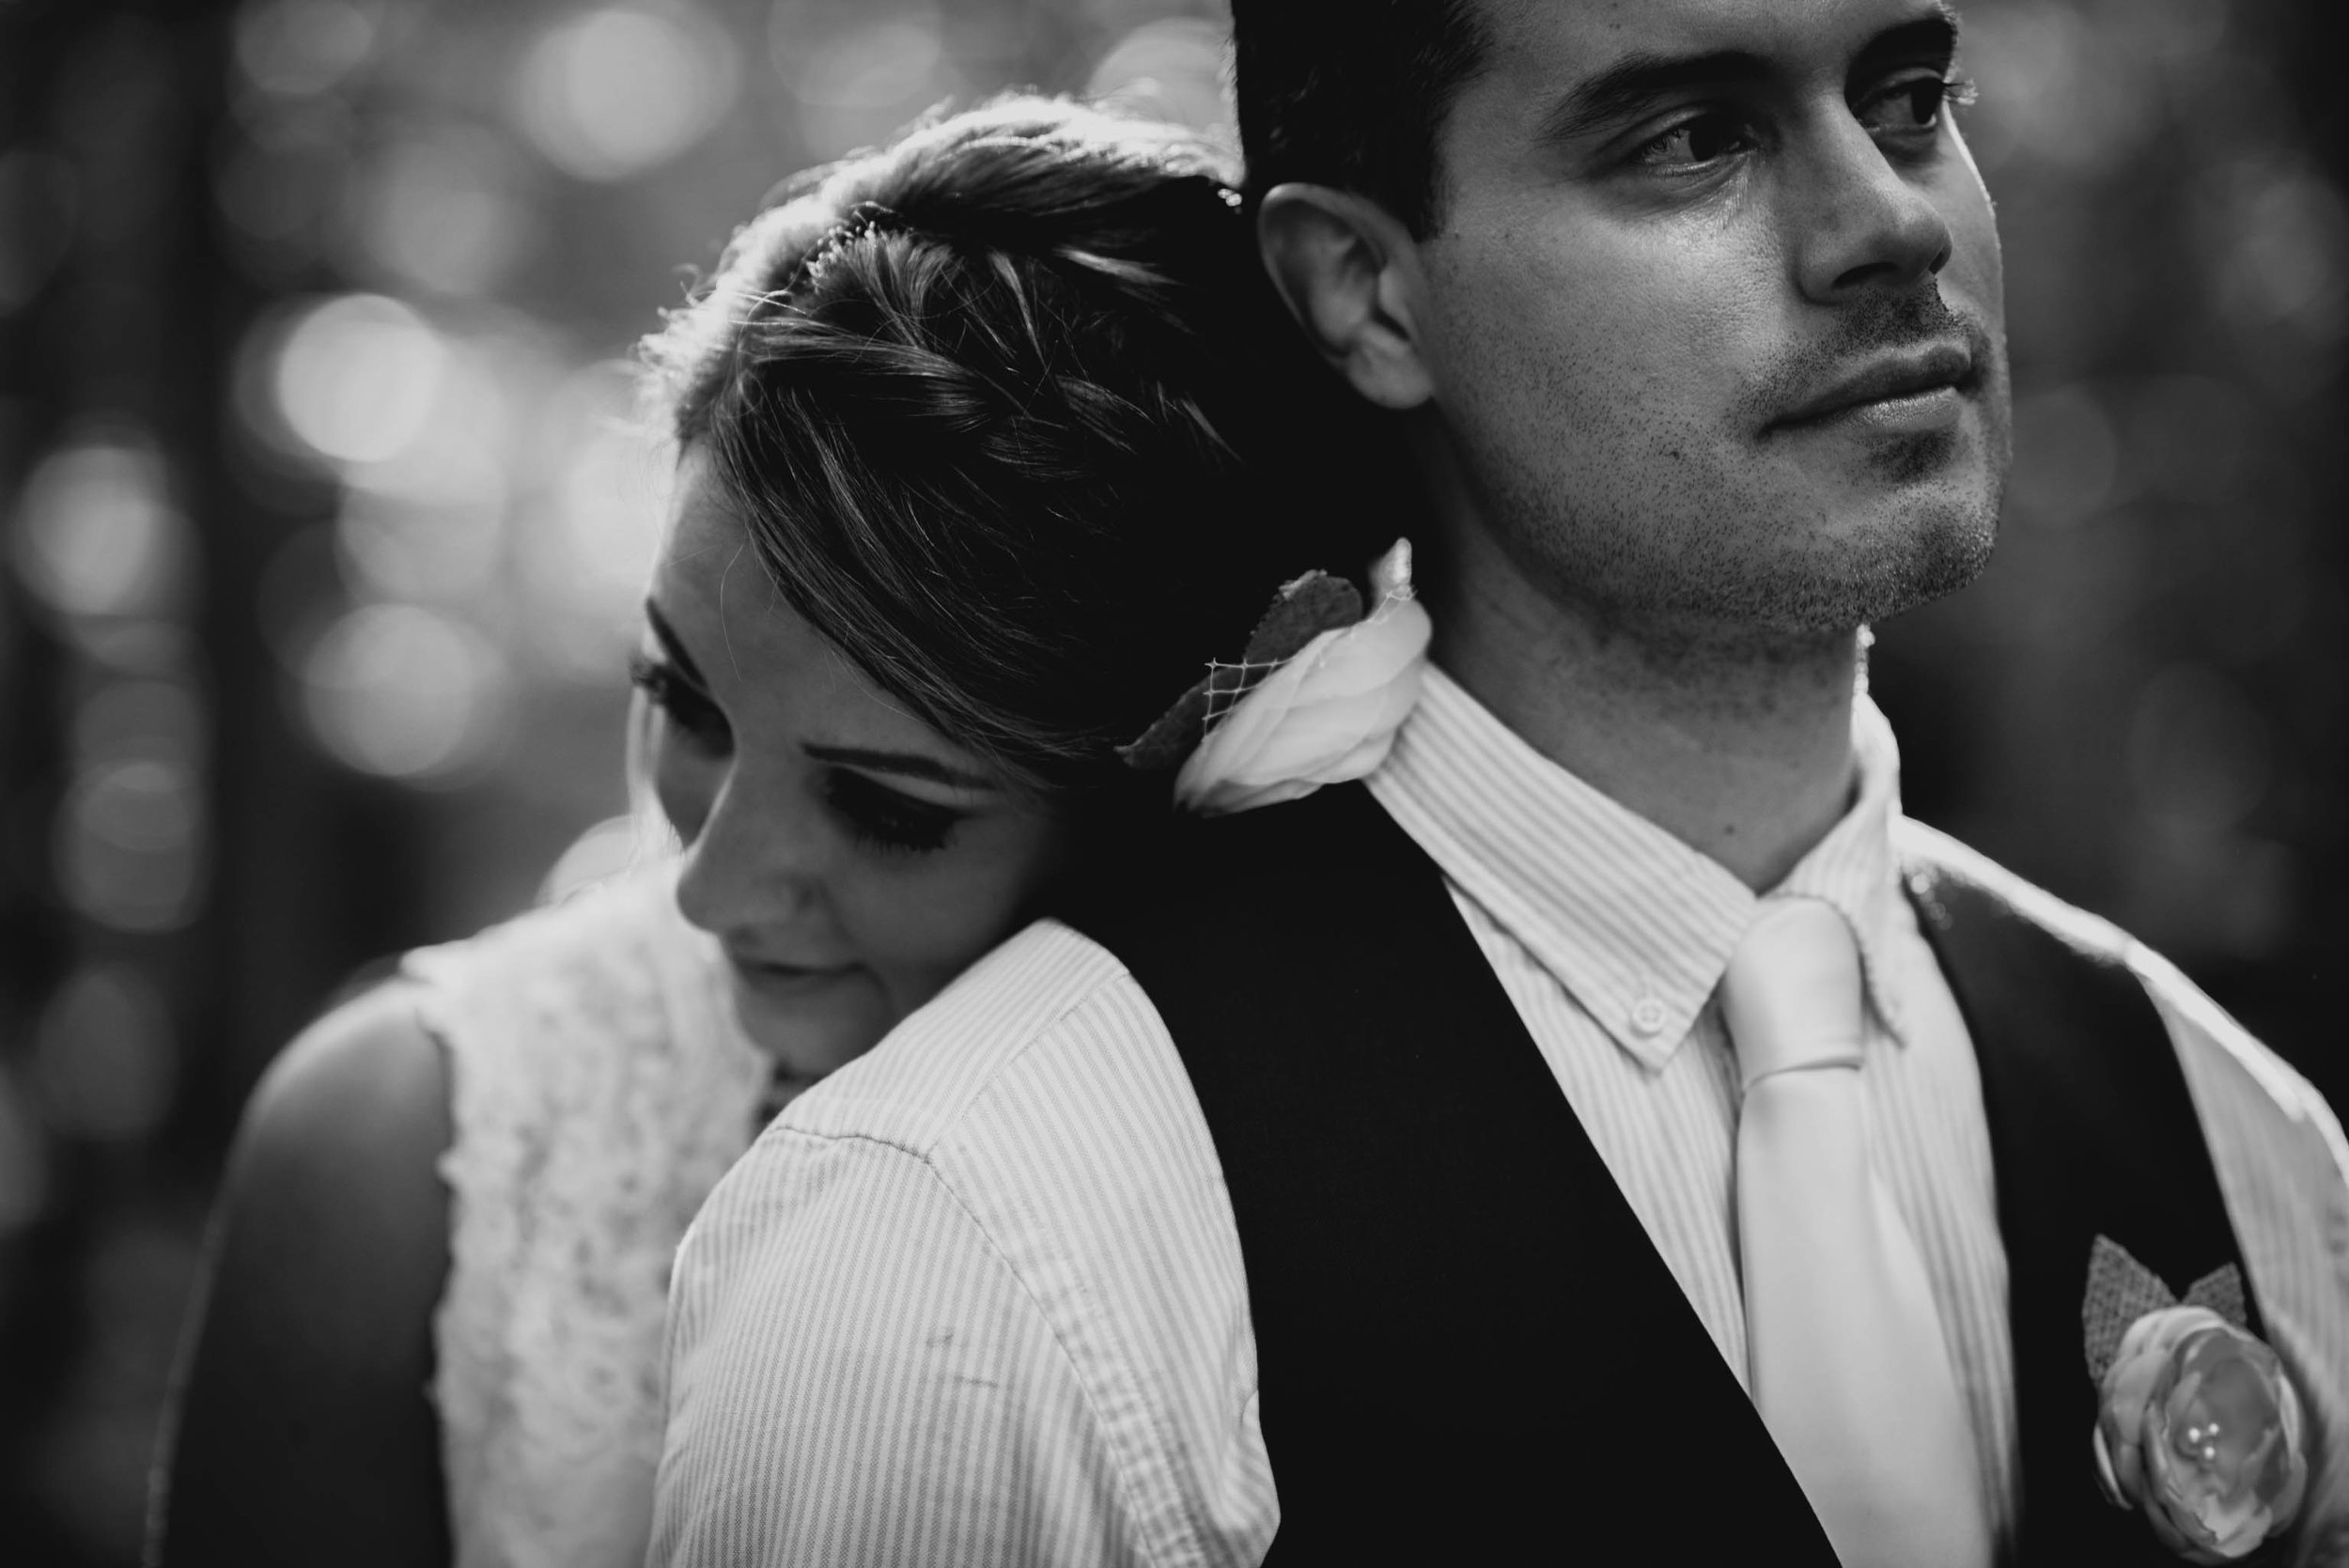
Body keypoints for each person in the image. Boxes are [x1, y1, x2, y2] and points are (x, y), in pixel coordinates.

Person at [648, 3, 2349, 1566]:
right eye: (1690, 138)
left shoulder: (2245, 1140)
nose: (1892, 223)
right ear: (1363, 291)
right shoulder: (973, 1243)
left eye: (1906, 100)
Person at [150, 97, 1401, 1568]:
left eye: (886, 807)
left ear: (1182, 782)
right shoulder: (395, 1168)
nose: (709, 885)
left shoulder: (1400, 1178)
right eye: (681, 697)